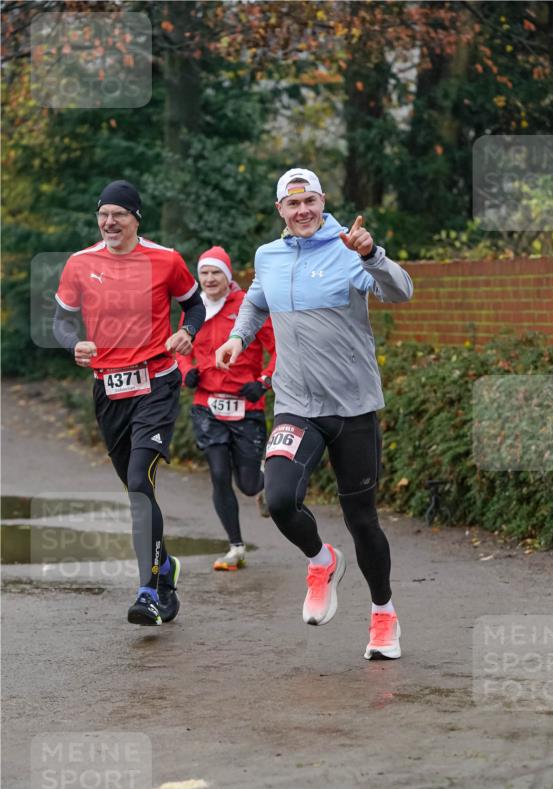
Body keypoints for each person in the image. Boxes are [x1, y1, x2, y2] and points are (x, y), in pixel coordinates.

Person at [215, 168, 413, 659]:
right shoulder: (269, 256)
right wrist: (239, 337)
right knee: (279, 499)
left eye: (310, 202)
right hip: (297, 407)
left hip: (352, 408)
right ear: (280, 210)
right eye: (292, 203)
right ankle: (321, 560)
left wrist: (371, 254)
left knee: (362, 520)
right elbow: (256, 303)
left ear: (322, 202)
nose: (302, 211)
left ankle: (383, 615)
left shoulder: (348, 248)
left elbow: (401, 291)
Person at [52, 179, 205, 626]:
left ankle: (148, 591)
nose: (109, 221)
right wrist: (72, 344)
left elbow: (194, 306)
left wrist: (187, 332)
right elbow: (61, 320)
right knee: (135, 489)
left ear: (137, 218)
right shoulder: (80, 264)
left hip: (156, 384)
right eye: (103, 214)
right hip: (109, 391)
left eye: (119, 213)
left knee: (140, 483)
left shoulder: (166, 260)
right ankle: (167, 573)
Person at [178, 246, 275, 570]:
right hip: (207, 404)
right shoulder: (194, 309)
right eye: (204, 273)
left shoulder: (249, 305)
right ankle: (235, 547)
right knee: (219, 475)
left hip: (246, 405)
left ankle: (267, 482)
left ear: (228, 276)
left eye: (216, 272)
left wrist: (263, 381)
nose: (209, 279)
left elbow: (279, 350)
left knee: (248, 484)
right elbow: (180, 348)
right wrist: (185, 370)